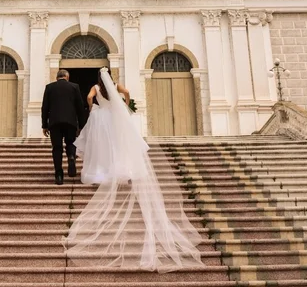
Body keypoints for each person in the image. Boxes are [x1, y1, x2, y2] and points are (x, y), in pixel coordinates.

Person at [64, 67, 203, 272]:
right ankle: (119, 168)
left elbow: (88, 97)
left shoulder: (95, 87)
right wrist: (124, 106)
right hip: (114, 118)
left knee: (102, 147)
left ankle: (102, 170)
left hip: (101, 118)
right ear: (110, 76)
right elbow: (127, 93)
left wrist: (93, 108)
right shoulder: (116, 86)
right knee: (117, 145)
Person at [41, 69, 87, 185]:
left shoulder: (49, 87)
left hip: (54, 122)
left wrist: (44, 125)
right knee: (70, 142)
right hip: (70, 122)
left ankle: (59, 175)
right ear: (67, 77)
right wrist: (81, 125)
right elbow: (80, 107)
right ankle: (71, 156)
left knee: (57, 148)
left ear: (57, 77)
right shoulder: (74, 87)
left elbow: (45, 107)